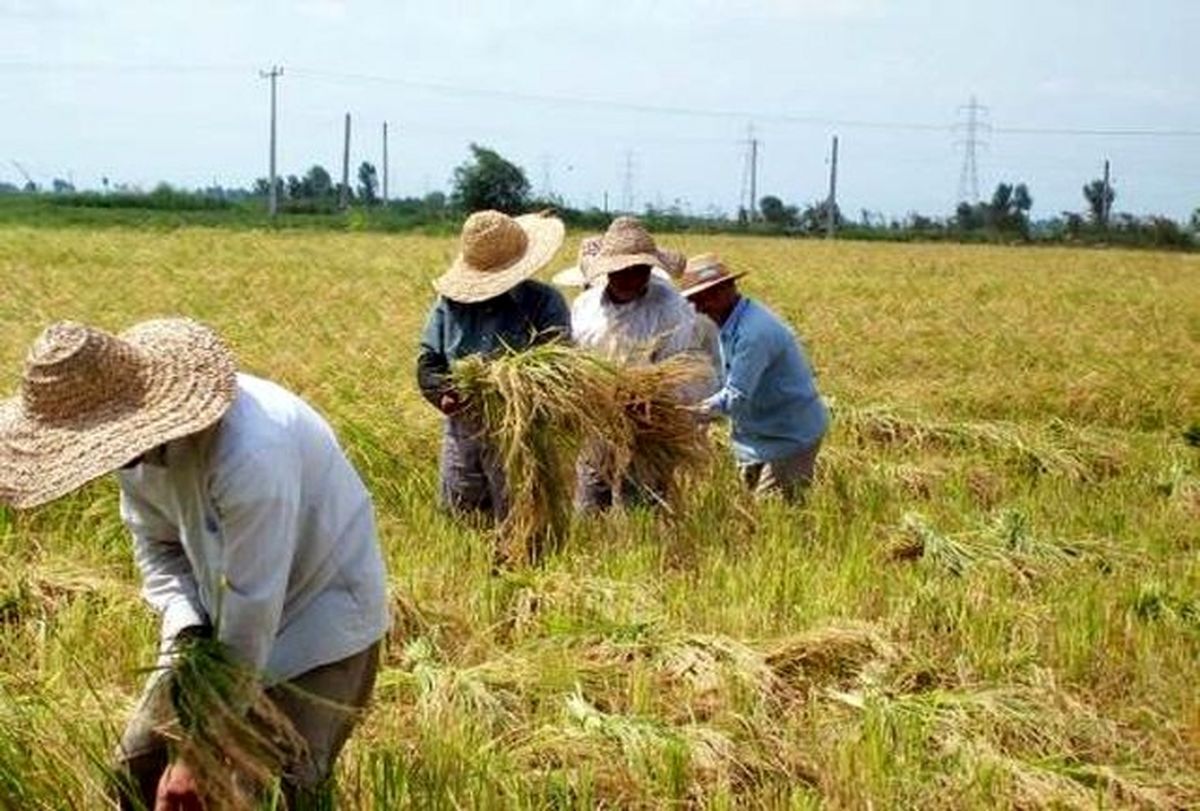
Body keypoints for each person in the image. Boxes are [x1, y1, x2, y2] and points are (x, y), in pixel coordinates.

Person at [0, 318, 390, 809]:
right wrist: (187, 633)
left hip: (316, 624)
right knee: (136, 769)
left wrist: (198, 754)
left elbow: (252, 614)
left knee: (268, 792)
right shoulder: (132, 455)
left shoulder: (250, 453)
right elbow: (158, 549)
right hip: (214, 626)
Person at [417, 209, 571, 520]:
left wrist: (510, 389)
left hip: (522, 432)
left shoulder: (544, 303)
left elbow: (558, 363)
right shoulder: (449, 304)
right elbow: (429, 360)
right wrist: (442, 393)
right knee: (462, 517)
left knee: (521, 520)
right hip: (464, 428)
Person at [570, 216, 712, 510]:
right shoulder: (585, 307)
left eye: (641, 269)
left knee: (642, 505)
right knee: (591, 500)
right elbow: (576, 359)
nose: (633, 276)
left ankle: (643, 549)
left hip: (650, 422)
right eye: (624, 269)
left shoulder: (671, 308)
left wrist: (647, 399)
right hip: (598, 419)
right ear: (608, 270)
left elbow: (678, 369)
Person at [680, 253, 829, 501]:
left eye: (714, 292)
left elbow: (736, 396)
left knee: (774, 517)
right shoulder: (723, 323)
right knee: (755, 511)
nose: (705, 302)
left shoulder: (752, 333)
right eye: (698, 297)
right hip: (755, 435)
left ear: (730, 287)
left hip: (788, 435)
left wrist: (684, 414)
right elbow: (724, 376)